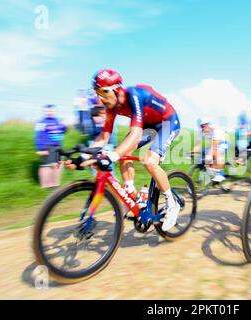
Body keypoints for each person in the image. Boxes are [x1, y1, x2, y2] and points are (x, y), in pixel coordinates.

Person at [65, 69, 181, 231]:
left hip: (168, 122)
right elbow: (104, 137)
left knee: (149, 160)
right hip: (150, 126)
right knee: (123, 152)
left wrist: (111, 156)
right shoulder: (111, 108)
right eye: (97, 93)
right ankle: (132, 196)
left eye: (104, 92)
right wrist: (83, 157)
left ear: (117, 89)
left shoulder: (133, 95)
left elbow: (135, 133)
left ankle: (172, 204)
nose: (100, 98)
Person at [34, 104, 67, 188]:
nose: (50, 112)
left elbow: (64, 131)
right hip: (47, 147)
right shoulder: (41, 122)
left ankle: (55, 185)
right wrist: (40, 149)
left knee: (58, 165)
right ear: (45, 112)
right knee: (46, 166)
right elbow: (38, 136)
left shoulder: (58, 121)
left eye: (51, 110)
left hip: (58, 146)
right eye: (48, 111)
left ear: (54, 111)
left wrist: (65, 125)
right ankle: (45, 186)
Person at [193, 117, 229, 182]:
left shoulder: (216, 130)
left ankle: (219, 173)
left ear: (208, 124)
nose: (202, 128)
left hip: (223, 142)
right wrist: (192, 153)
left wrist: (209, 157)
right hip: (214, 143)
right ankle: (204, 175)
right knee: (202, 155)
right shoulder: (202, 131)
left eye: (203, 126)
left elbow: (214, 147)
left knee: (216, 153)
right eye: (201, 126)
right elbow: (197, 145)